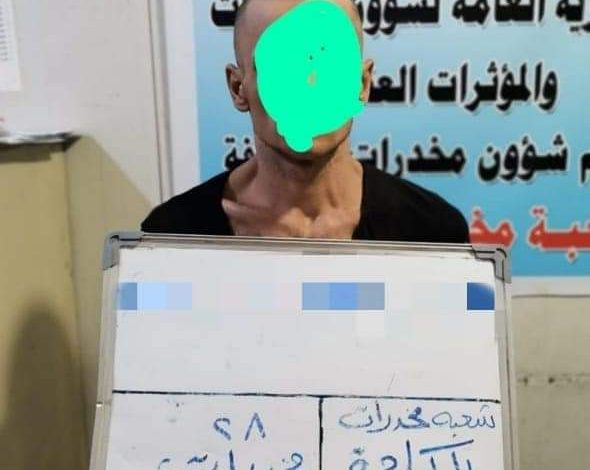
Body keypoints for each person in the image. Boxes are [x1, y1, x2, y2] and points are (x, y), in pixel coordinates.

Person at [141, 0, 470, 243]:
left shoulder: (434, 232)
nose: (310, 85)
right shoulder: (170, 236)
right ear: (238, 88)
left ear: (362, 84)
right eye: (283, 67)